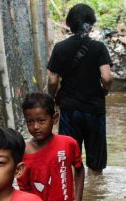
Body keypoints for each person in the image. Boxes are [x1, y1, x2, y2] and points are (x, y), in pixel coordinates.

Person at [17, 92, 85, 201]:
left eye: (41, 120)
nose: (35, 127)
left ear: (54, 118)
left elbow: (79, 169)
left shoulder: (68, 144)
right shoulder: (23, 153)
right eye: (30, 122)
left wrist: (78, 198)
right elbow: (23, 188)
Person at [47, 3, 113, 176]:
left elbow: (52, 80)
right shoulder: (99, 48)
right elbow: (107, 77)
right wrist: (104, 90)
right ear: (90, 24)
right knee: (96, 165)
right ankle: (96, 198)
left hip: (70, 110)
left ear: (69, 24)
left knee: (69, 160)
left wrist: (53, 98)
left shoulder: (59, 48)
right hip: (94, 110)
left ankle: (72, 197)